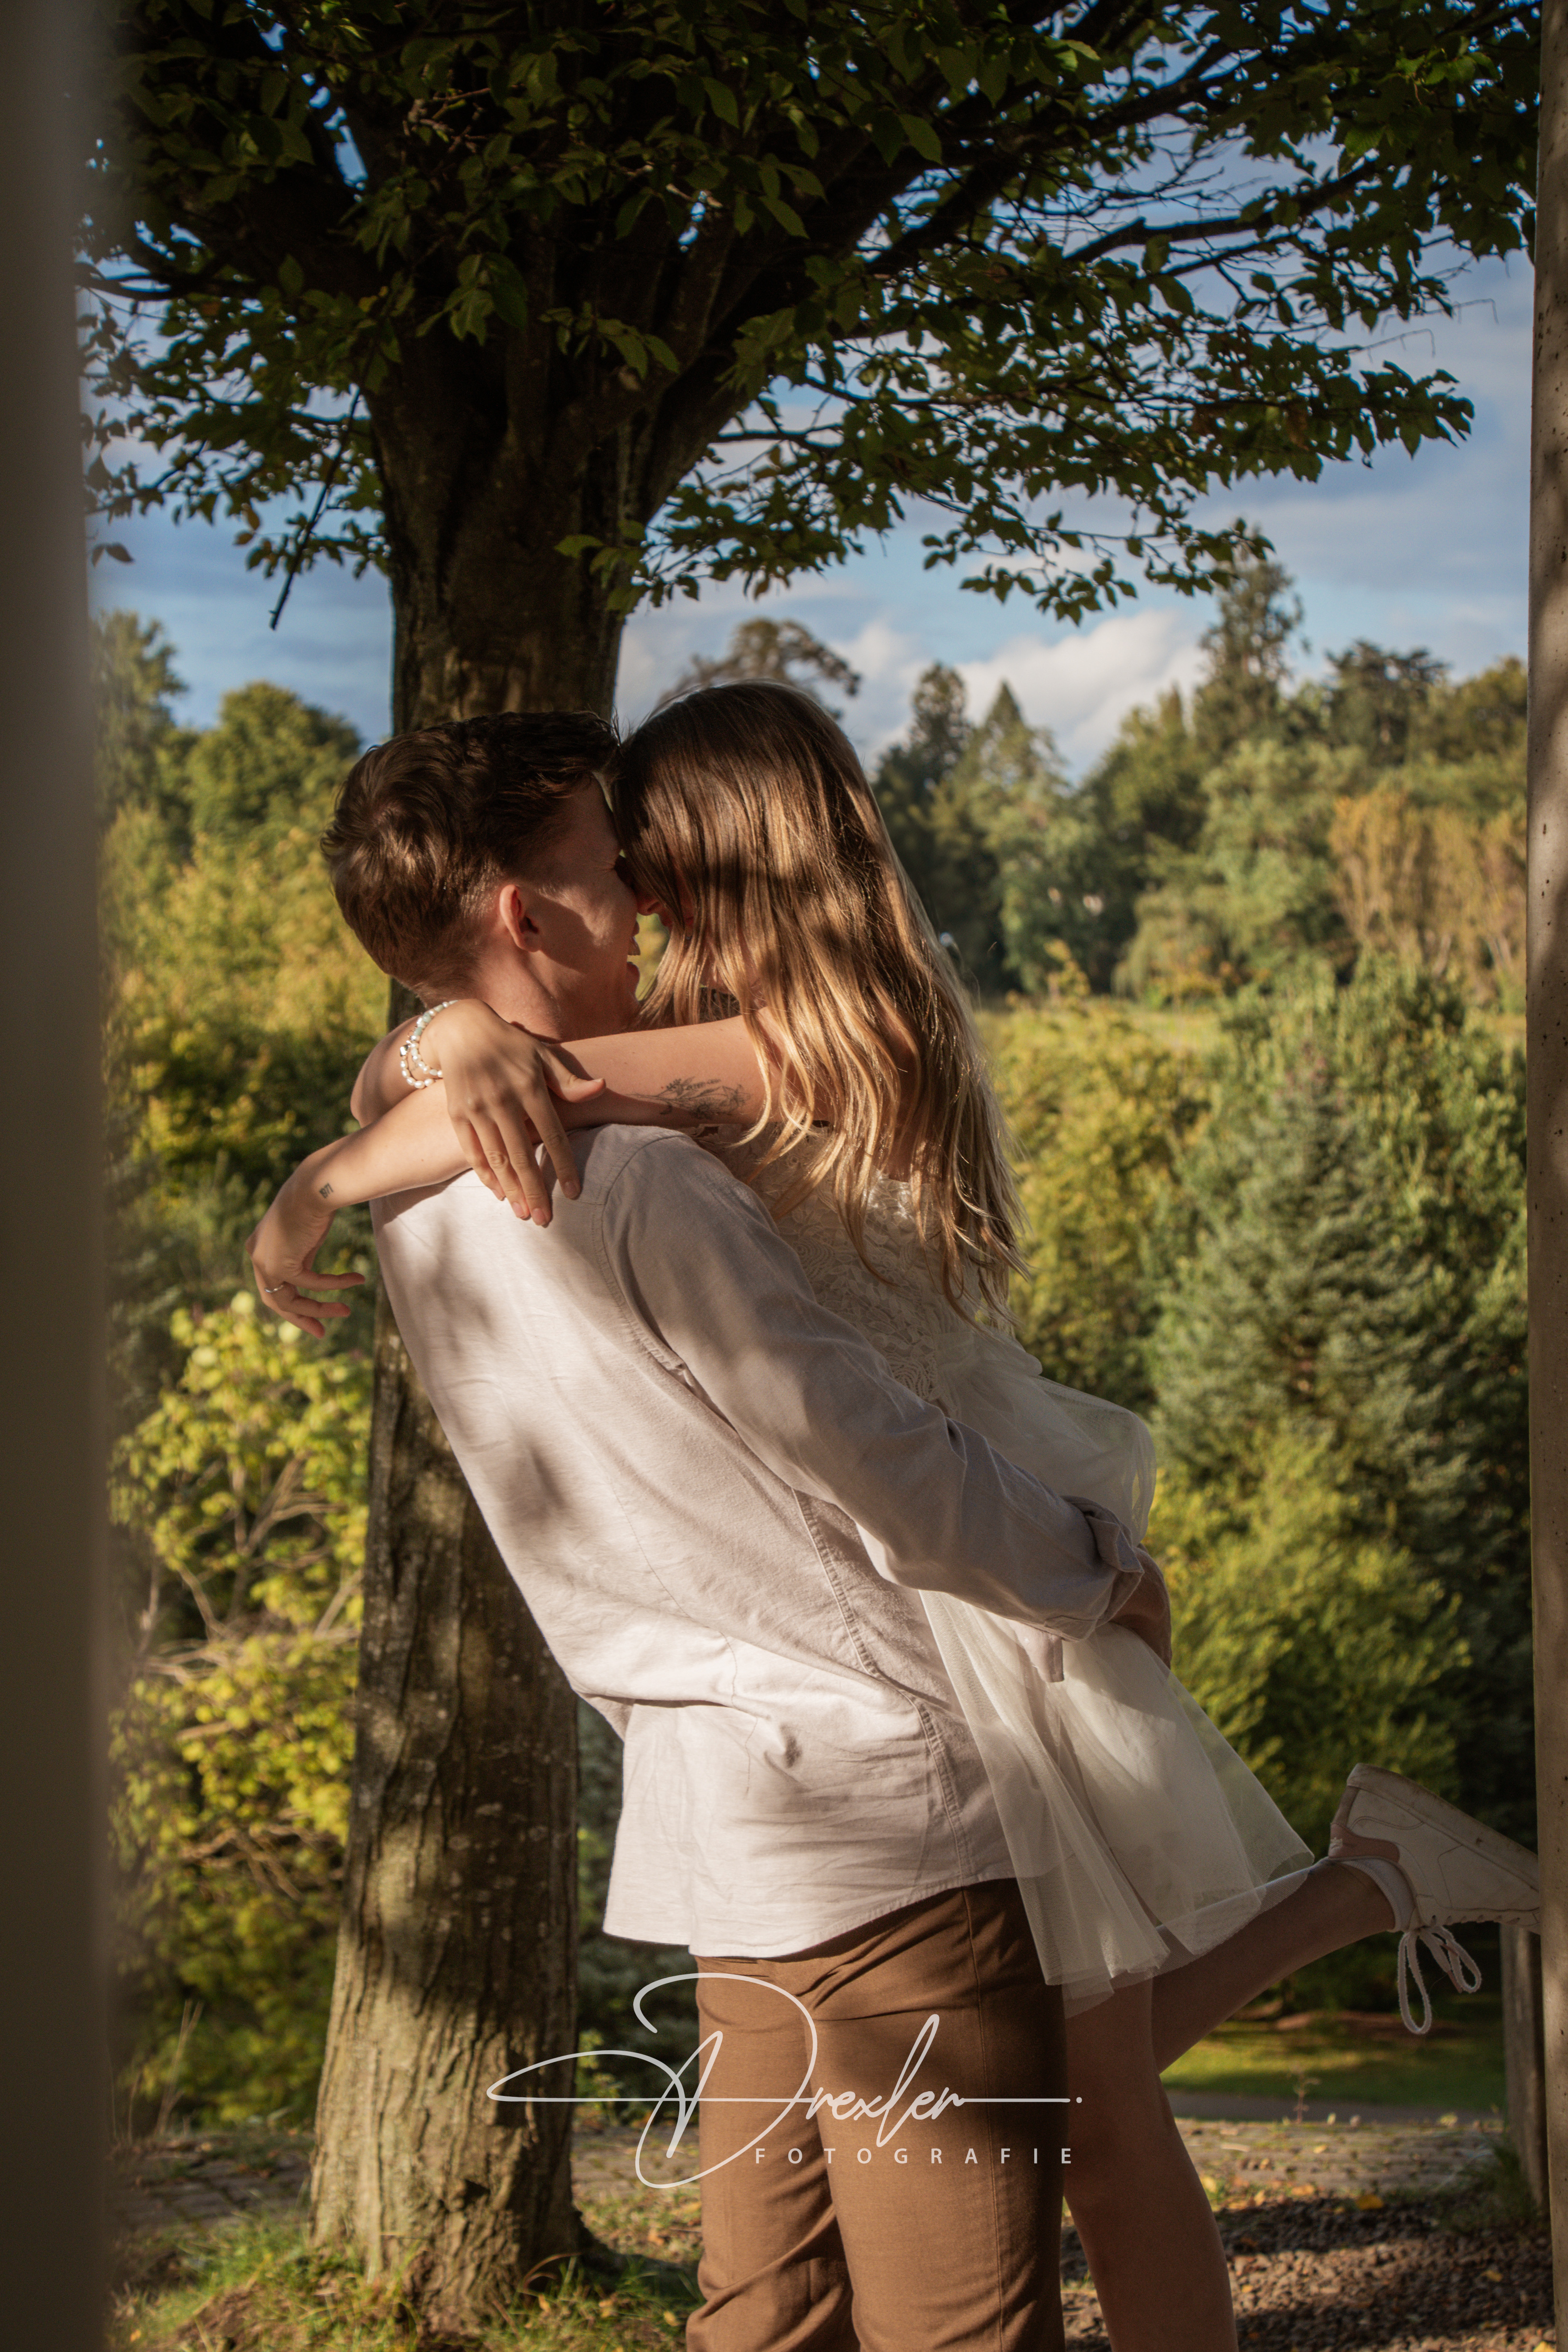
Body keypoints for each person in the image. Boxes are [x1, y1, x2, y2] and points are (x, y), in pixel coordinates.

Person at [250, 694, 1538, 2352]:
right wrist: (434, 1049)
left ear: (727, 871)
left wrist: (335, 1163)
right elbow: (503, 1074)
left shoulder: (782, 1052)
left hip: (967, 1573)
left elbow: (520, 1083)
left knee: (1087, 2097)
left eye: (654, 865)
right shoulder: (692, 1090)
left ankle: (1364, 1885)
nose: (636, 904)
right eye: (613, 871)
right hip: (924, 1581)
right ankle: (1365, 1884)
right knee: (1087, 2082)